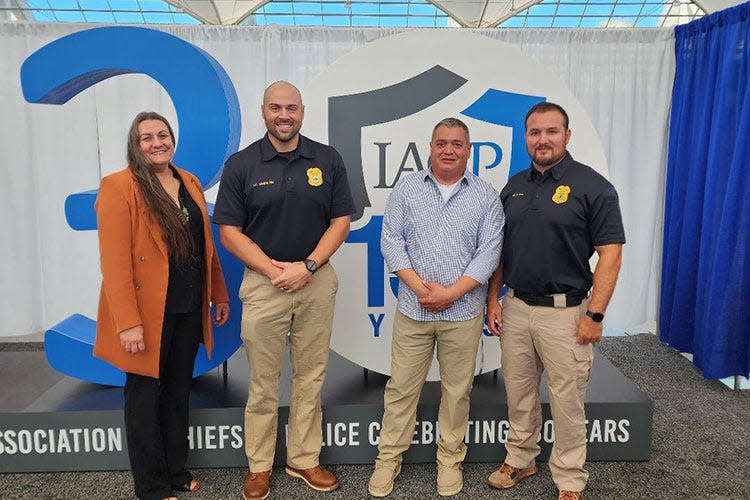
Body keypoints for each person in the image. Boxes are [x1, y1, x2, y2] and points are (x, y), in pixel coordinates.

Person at [213, 81, 355, 500]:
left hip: (315, 280)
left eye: (291, 108)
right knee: (263, 381)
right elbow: (229, 232)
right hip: (263, 283)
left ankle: (304, 459)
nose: (284, 115)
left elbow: (340, 221)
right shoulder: (241, 165)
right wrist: (274, 270)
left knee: (311, 376)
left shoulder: (327, 160)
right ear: (263, 111)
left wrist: (308, 266)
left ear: (302, 112)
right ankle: (259, 466)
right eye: (276, 107)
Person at [485, 102, 625, 500]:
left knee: (567, 400)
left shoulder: (593, 186)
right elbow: (501, 251)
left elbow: (611, 253)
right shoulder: (513, 185)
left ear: (567, 135)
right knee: (519, 390)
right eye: (535, 132)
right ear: (525, 137)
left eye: (551, 132)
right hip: (516, 308)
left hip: (567, 312)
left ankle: (568, 478)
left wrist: (595, 314)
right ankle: (521, 458)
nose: (542, 140)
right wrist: (494, 298)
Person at [93, 111, 230, 500]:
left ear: (172, 139)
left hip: (187, 306)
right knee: (144, 398)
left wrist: (218, 294)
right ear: (135, 146)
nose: (157, 143)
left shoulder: (188, 181)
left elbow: (206, 248)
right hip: (145, 314)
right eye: (147, 138)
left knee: (176, 392)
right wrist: (128, 324)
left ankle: (175, 471)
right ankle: (151, 486)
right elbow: (115, 264)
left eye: (162, 135)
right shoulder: (119, 187)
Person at [368, 118, 504, 497]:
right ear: (430, 146)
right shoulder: (408, 188)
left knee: (457, 392)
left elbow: (490, 252)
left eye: (457, 144)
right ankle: (388, 459)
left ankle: (449, 460)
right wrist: (419, 287)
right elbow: (391, 240)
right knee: (400, 389)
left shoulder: (485, 196)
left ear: (469, 150)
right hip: (413, 310)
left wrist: (452, 293)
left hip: (462, 314)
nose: (449, 150)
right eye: (442, 142)